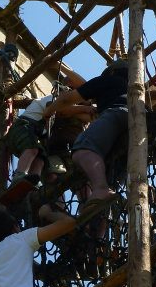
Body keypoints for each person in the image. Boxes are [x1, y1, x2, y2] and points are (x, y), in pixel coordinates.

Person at [49, 60, 130, 204]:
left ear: (111, 72)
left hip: (117, 113)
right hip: (136, 123)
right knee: (112, 169)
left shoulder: (107, 81)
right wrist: (84, 109)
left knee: (83, 150)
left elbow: (66, 101)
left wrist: (48, 112)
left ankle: (101, 189)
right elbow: (70, 112)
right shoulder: (127, 89)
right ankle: (105, 201)